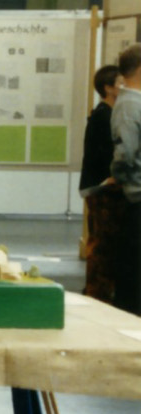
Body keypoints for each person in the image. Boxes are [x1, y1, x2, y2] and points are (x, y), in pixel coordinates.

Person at [81, 65, 124, 303]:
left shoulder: (108, 113)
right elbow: (105, 153)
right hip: (103, 188)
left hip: (102, 186)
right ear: (108, 88)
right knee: (102, 243)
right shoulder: (103, 116)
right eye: (120, 83)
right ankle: (96, 292)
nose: (124, 87)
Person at [109, 45, 141, 313]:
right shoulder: (129, 106)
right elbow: (126, 153)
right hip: (138, 195)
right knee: (134, 266)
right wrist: (119, 175)